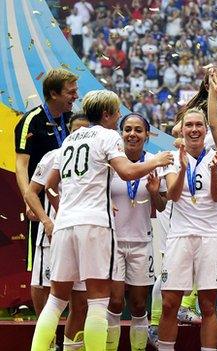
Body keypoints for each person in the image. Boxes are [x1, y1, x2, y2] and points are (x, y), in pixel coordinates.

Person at [29, 89, 174, 351]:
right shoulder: (107, 136)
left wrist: (64, 208)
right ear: (107, 115)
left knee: (56, 300)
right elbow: (128, 172)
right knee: (98, 301)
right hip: (95, 225)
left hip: (65, 224)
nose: (118, 118)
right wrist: (158, 161)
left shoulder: (70, 140)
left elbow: (49, 186)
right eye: (117, 112)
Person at [157, 105, 217, 351]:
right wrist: (184, 168)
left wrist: (216, 169)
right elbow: (173, 196)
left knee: (208, 306)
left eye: (199, 125)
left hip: (210, 236)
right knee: (169, 304)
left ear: (205, 129)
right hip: (180, 236)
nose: (194, 129)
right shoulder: (171, 157)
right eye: (189, 125)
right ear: (182, 129)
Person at [14, 68, 78, 314]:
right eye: (70, 92)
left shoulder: (73, 119)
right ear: (53, 93)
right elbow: (21, 165)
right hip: (42, 203)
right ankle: (46, 333)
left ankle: (72, 329)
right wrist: (29, 202)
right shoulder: (32, 121)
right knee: (41, 271)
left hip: (72, 202)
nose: (75, 96)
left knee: (74, 267)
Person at [23, 114, 90, 350]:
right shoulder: (53, 157)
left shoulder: (98, 160)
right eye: (75, 131)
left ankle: (71, 347)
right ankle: (48, 346)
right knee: (48, 297)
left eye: (85, 131)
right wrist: (46, 220)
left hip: (83, 237)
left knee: (80, 303)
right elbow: (32, 193)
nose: (80, 135)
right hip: (52, 236)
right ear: (67, 133)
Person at [105, 113, 171, 351]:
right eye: (128, 129)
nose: (132, 134)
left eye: (138, 130)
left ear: (146, 135)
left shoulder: (155, 161)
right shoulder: (111, 161)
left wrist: (154, 192)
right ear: (121, 133)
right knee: (113, 302)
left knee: (139, 305)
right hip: (114, 242)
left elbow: (162, 206)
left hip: (142, 242)